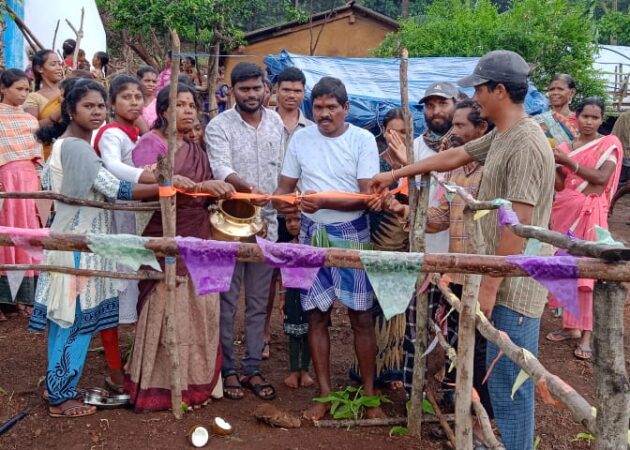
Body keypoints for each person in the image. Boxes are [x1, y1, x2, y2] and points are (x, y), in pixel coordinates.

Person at [371, 50, 555, 450]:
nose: (475, 98)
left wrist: (488, 289)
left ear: (500, 90)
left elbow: (517, 224)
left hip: (513, 287)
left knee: (510, 382)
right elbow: (456, 154)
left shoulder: (526, 141)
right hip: (498, 277)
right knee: (497, 375)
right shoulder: (505, 133)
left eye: (479, 90)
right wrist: (395, 173)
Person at [28, 79, 168, 418]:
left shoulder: (70, 145)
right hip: (77, 247)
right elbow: (114, 189)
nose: (96, 111)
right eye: (89, 106)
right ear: (71, 110)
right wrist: (166, 188)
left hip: (74, 242)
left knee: (68, 320)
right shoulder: (75, 147)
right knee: (74, 321)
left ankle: (57, 385)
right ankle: (61, 397)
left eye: (100, 106)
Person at [381, 100, 495, 445]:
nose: (454, 133)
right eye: (454, 126)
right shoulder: (456, 173)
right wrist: (404, 208)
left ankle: (478, 431)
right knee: (464, 354)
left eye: (462, 127)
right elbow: (438, 220)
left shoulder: (492, 170)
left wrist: (404, 170)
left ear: (482, 131)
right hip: (457, 274)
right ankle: (465, 427)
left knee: (480, 357)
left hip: (485, 275)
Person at [274, 76, 383, 420]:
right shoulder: (301, 140)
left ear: (345, 109)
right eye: (318, 107)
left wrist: (322, 200)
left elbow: (368, 197)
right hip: (311, 233)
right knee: (315, 315)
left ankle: (369, 397)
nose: (323, 114)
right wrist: (288, 206)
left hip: (352, 233)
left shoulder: (362, 140)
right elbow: (284, 188)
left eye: (331, 108)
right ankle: (324, 395)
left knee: (361, 317)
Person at [125, 83, 234, 411]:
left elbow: (201, 191)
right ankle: (160, 385)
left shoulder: (197, 149)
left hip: (203, 234)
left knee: (204, 309)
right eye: (180, 105)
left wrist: (214, 189)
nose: (188, 110)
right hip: (167, 235)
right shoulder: (150, 145)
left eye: (192, 105)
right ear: (163, 111)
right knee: (167, 305)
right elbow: (136, 191)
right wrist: (178, 186)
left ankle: (202, 383)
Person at [205, 62, 283, 401]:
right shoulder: (219, 126)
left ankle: (252, 367)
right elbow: (221, 167)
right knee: (226, 299)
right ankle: (228, 370)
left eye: (256, 88)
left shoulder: (276, 122)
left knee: (257, 301)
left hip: (268, 224)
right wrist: (247, 188)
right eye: (244, 89)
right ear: (231, 89)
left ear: (265, 88)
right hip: (229, 224)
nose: (251, 95)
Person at [92, 74, 159, 393]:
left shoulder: (137, 130)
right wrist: (146, 177)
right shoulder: (111, 133)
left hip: (142, 213)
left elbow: (154, 145)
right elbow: (112, 166)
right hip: (120, 214)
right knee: (117, 284)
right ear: (112, 103)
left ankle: (138, 360)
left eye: (138, 98)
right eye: (126, 97)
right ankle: (116, 367)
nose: (134, 103)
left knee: (140, 280)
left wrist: (145, 127)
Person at [545, 98, 622, 361]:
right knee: (566, 268)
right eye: (585, 116)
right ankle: (571, 327)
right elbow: (560, 185)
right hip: (565, 210)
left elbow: (601, 179)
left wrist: (568, 162)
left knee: (587, 274)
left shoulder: (608, 145)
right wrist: (551, 164)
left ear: (602, 120)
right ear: (576, 117)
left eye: (595, 117)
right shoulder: (565, 147)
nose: (589, 121)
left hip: (591, 213)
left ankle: (587, 335)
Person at [350, 107, 409, 391]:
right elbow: (362, 192)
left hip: (401, 238)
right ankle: (365, 367)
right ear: (384, 131)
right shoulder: (373, 160)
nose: (398, 136)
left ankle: (392, 366)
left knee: (396, 304)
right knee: (368, 306)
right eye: (393, 130)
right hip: (373, 231)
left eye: (405, 132)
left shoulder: (415, 162)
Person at [262, 66, 314, 360]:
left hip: (302, 212)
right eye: (286, 89)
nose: (292, 95)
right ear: (275, 91)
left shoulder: (311, 128)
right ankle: (264, 333)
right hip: (270, 211)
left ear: (303, 93)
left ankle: (298, 335)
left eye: (297, 90)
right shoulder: (265, 124)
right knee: (267, 275)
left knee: (298, 274)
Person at [0, 69, 44, 321]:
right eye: (19, 89)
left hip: (28, 178)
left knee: (27, 230)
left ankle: (24, 297)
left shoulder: (30, 120)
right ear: (3, 88)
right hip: (5, 178)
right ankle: (4, 298)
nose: (24, 94)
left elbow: (36, 157)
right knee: (6, 229)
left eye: (27, 89)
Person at [276, 212, 314, 389]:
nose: (292, 224)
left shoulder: (313, 245)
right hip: (292, 293)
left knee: (309, 333)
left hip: (312, 292)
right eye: (288, 221)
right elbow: (282, 275)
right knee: (293, 334)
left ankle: (305, 370)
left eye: (297, 219)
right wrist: (282, 297)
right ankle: (293, 371)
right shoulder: (286, 247)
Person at [24, 49, 64, 160]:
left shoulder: (69, 92)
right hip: (46, 154)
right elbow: (31, 127)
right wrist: (58, 113)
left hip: (70, 149)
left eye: (59, 64)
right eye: (53, 64)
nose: (59, 68)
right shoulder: (33, 97)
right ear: (40, 69)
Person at [535, 74, 578, 146]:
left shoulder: (581, 120)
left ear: (572, 93)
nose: (555, 93)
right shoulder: (539, 120)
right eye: (551, 89)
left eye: (560, 89)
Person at [610, 109, 630, 216]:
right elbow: (614, 136)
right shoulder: (624, 117)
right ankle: (611, 203)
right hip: (625, 156)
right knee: (619, 185)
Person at [137, 66, 159, 132]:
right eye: (147, 81)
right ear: (138, 81)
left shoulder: (159, 104)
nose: (151, 84)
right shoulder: (134, 103)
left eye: (154, 81)